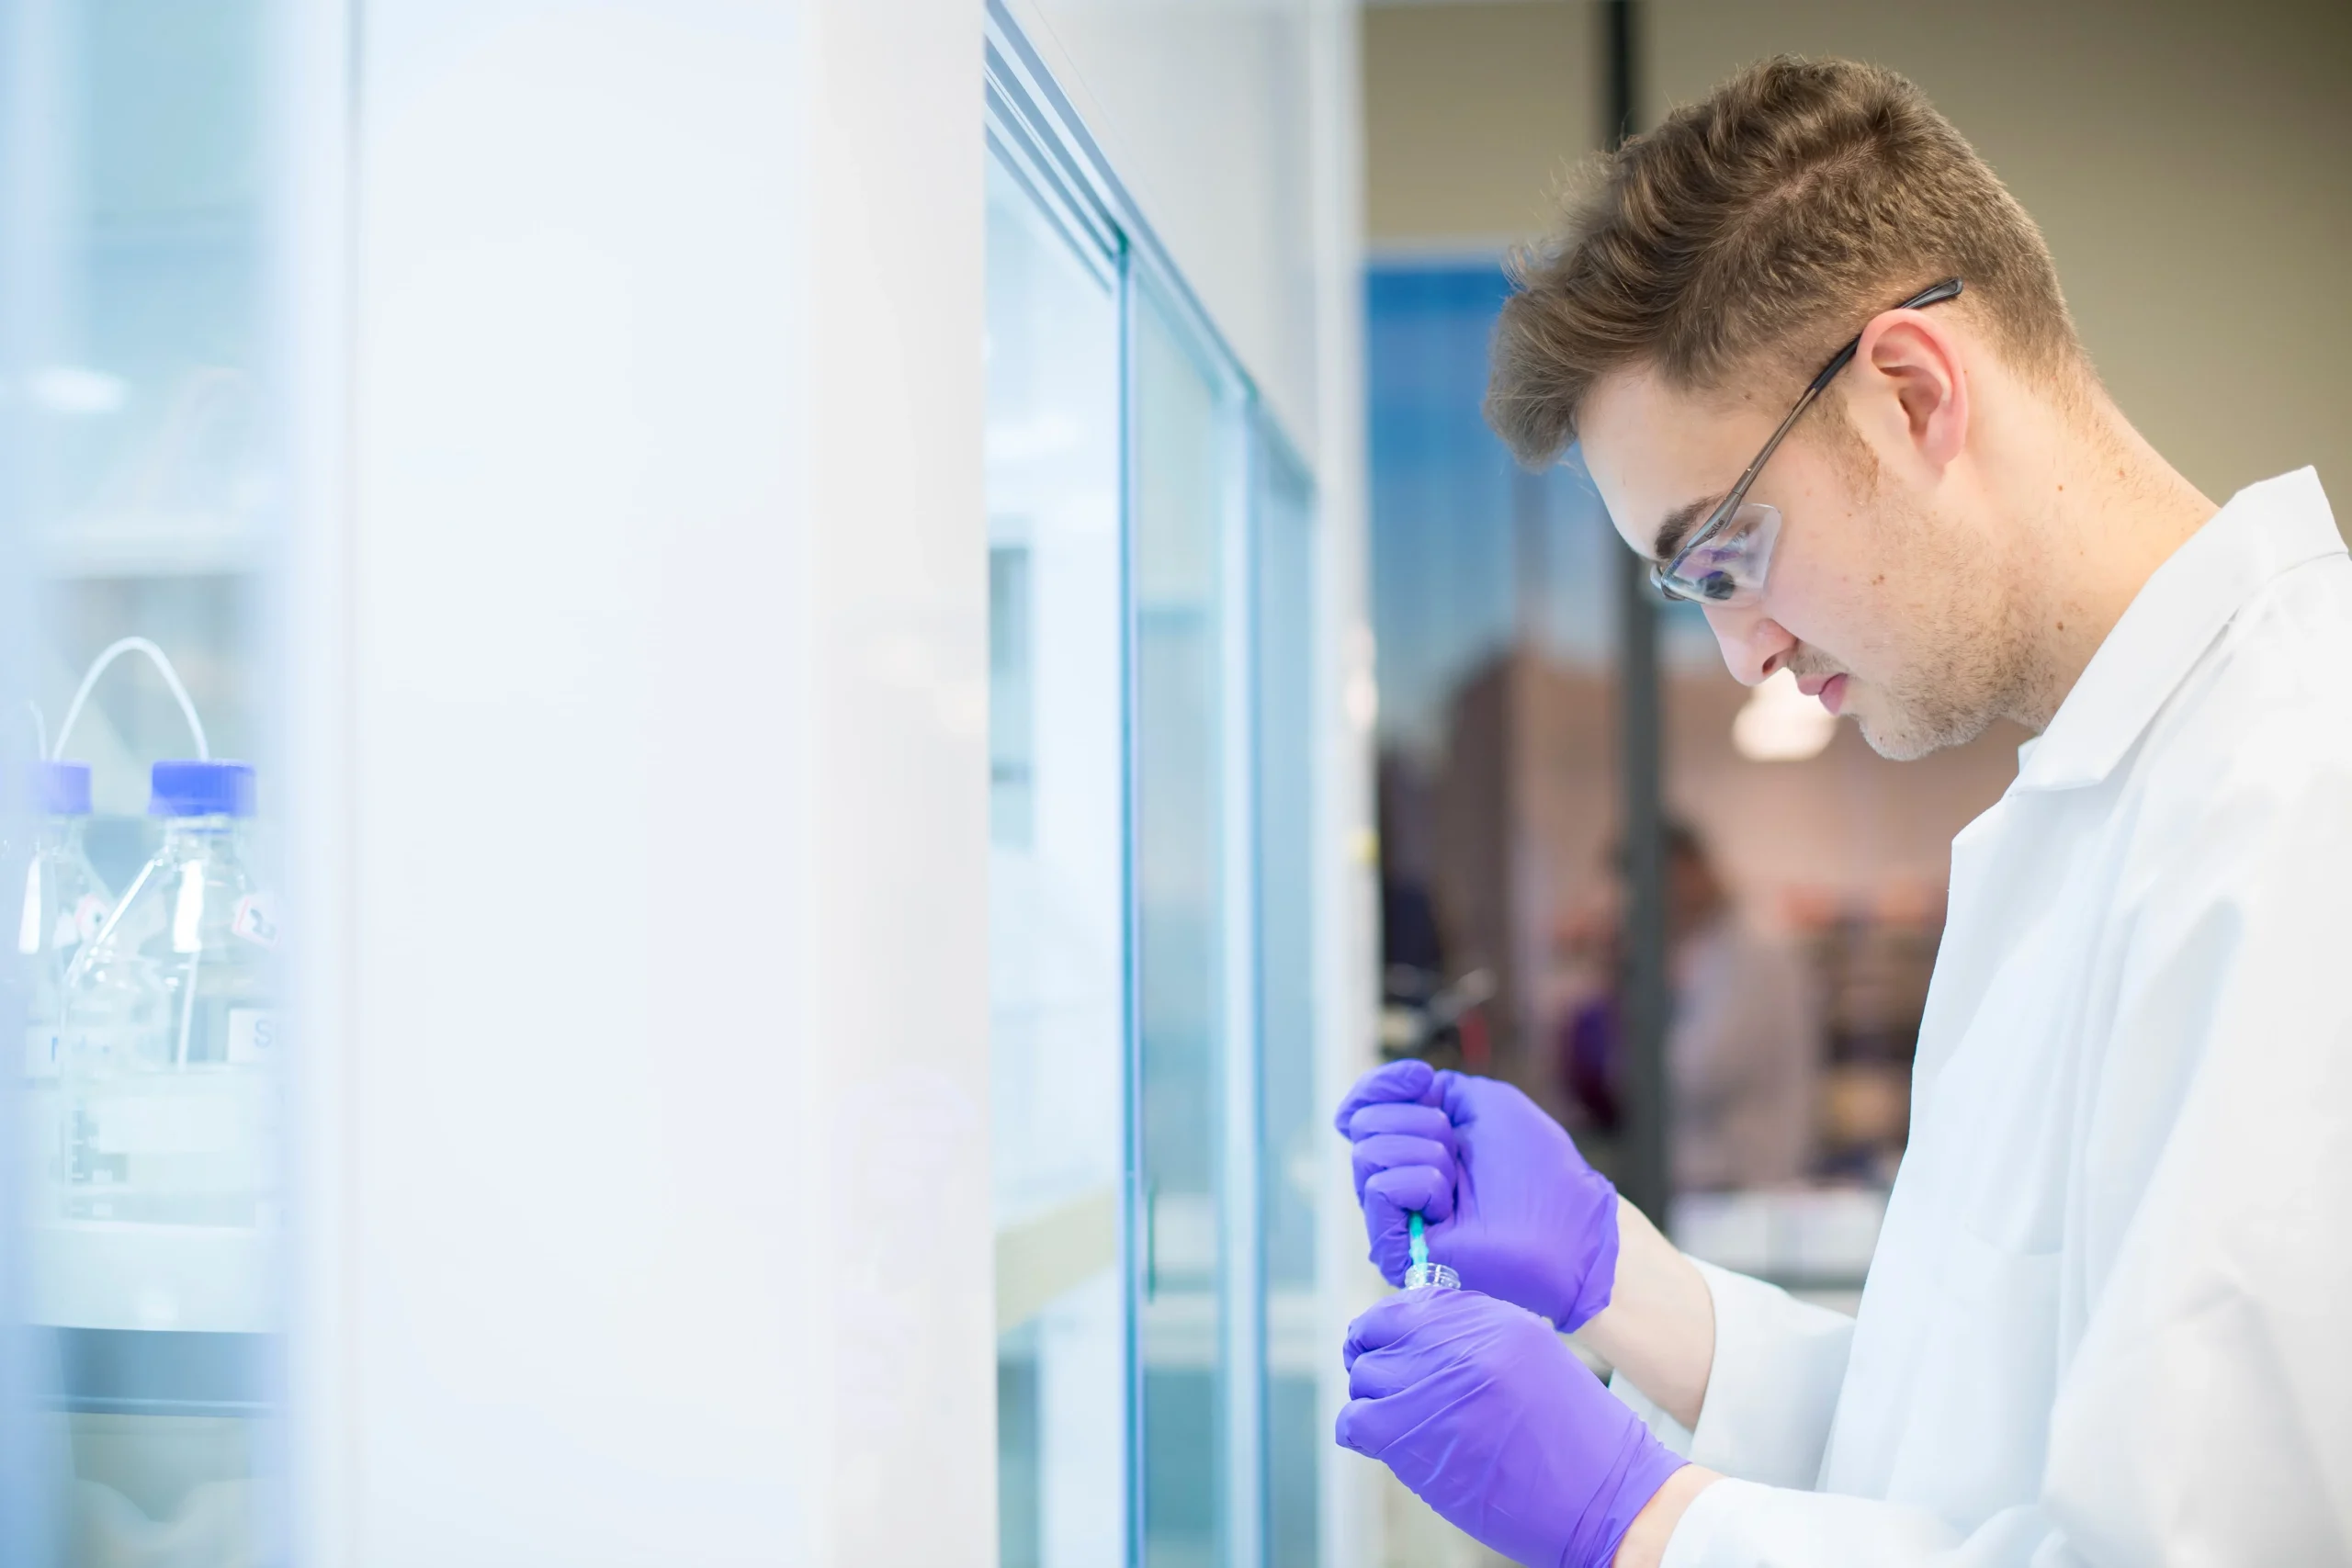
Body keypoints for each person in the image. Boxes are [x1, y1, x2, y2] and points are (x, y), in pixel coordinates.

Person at [1332, 55, 2351, 1568]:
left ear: (1914, 392)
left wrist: (1644, 1519)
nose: (1740, 652)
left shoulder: (2297, 799)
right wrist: (1616, 1273)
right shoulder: (2090, 811)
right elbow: (1962, 1433)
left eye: (1727, 555)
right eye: (1686, 589)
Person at [1558, 821, 1819, 1190]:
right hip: (1708, 1182)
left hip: (1743, 1182)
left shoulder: (1754, 954)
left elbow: (1698, 1072)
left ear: (1689, 870)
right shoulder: (1704, 950)